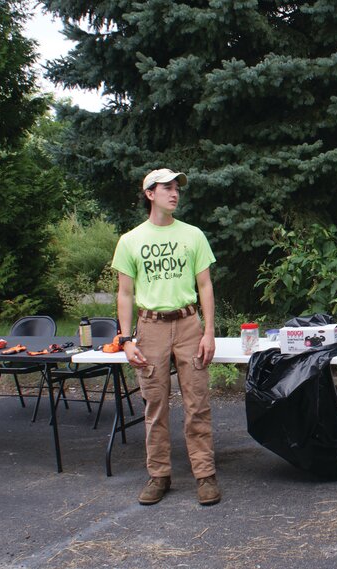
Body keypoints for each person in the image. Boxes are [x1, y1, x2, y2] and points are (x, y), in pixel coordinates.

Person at [112, 168, 221, 506]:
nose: (174, 193)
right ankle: (159, 475)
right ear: (149, 194)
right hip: (150, 328)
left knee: (197, 403)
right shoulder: (131, 240)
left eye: (177, 188)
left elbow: (205, 286)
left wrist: (209, 331)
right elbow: (125, 294)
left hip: (189, 325)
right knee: (155, 405)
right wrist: (127, 339)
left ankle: (205, 476)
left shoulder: (193, 236)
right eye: (167, 188)